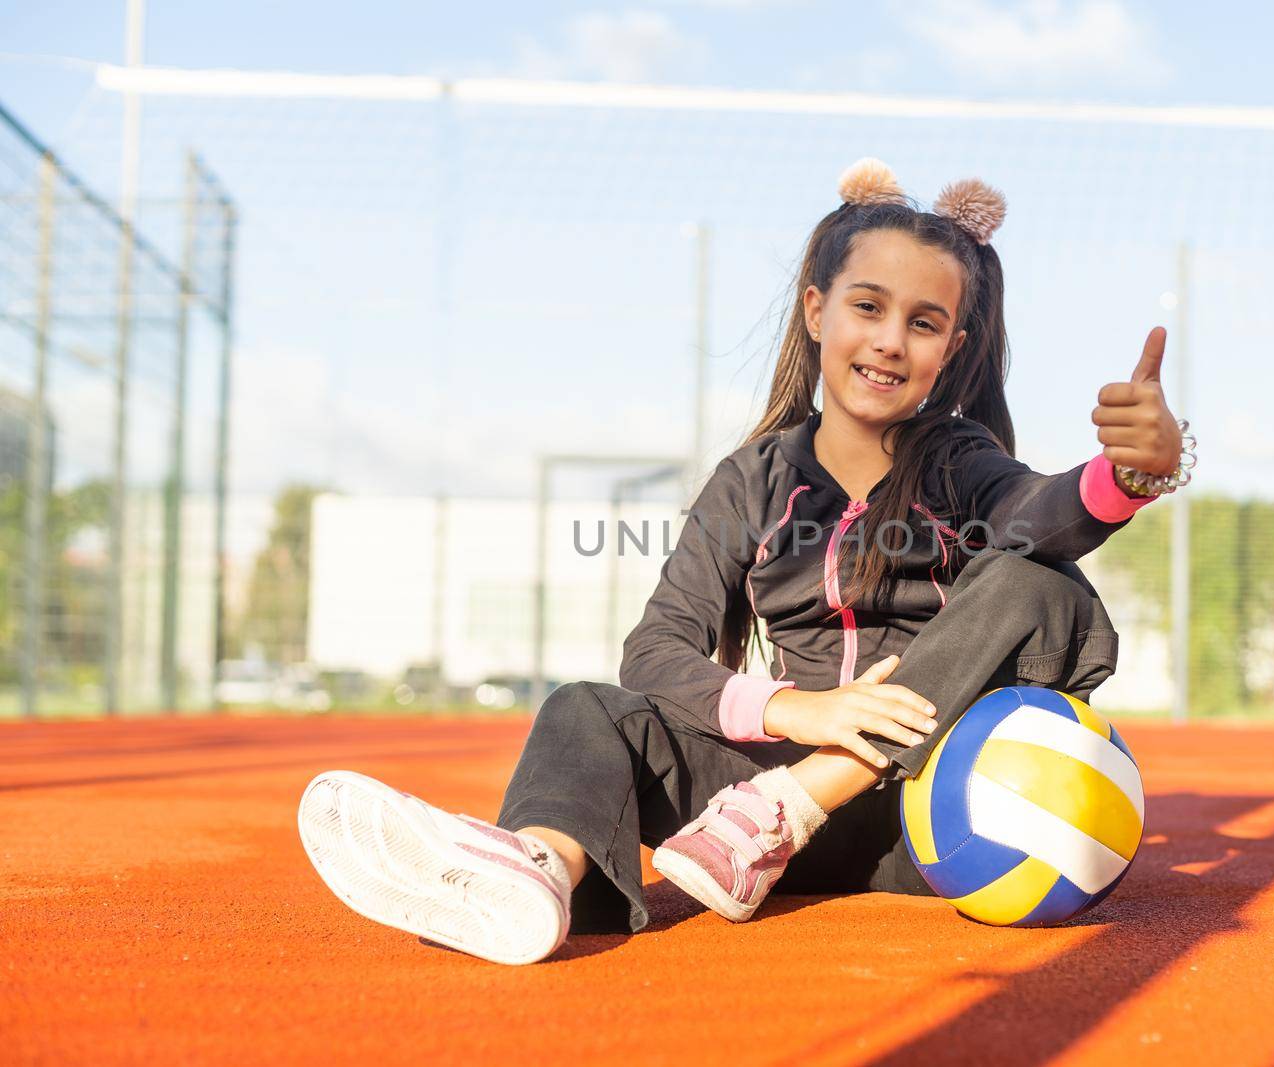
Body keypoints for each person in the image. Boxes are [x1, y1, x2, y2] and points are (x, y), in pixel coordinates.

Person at [297, 158, 1195, 965]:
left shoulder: (960, 463)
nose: (890, 339)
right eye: (868, 306)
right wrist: (799, 709)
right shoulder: (753, 479)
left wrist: (1123, 475)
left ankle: (804, 798)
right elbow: (656, 650)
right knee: (586, 709)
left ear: (951, 351)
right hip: (748, 813)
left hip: (924, 817)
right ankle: (537, 868)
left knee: (1039, 576)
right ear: (817, 310)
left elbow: (1040, 513)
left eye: (924, 323)